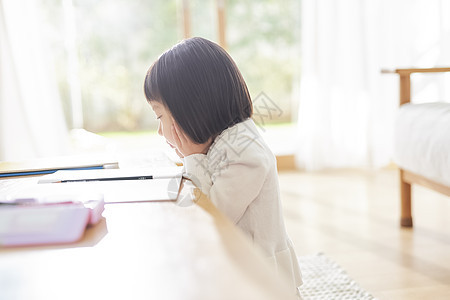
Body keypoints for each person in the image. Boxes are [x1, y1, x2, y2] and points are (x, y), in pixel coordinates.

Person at [143, 37, 302, 296]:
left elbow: (210, 216)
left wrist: (192, 157)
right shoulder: (225, 142)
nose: (160, 131)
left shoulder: (245, 154)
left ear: (192, 109)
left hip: (260, 282)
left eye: (160, 116)